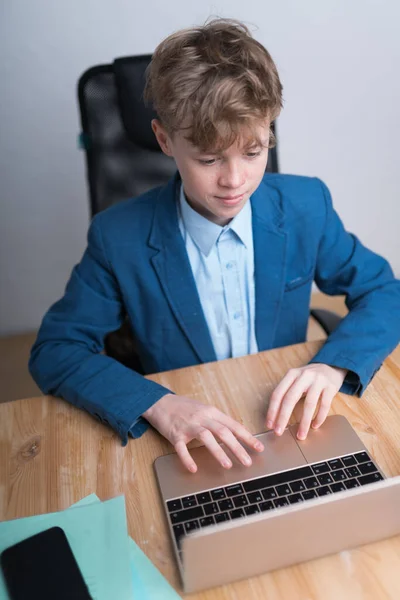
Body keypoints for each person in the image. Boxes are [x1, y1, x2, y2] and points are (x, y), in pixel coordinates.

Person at [29, 18, 400, 474]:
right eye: (208, 159)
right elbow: (55, 350)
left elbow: (386, 291)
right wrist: (158, 404)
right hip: (190, 431)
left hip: (283, 423)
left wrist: (332, 366)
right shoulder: (117, 236)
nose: (234, 180)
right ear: (164, 140)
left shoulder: (307, 206)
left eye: (253, 151)